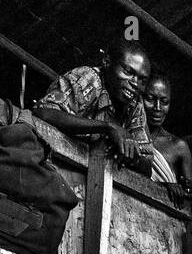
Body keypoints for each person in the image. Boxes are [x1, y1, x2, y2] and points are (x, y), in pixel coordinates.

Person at [33, 37, 155, 176]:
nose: (135, 83)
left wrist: (132, 155)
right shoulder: (88, 78)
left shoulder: (135, 104)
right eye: (128, 71)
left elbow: (147, 167)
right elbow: (43, 112)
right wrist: (107, 127)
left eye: (142, 80)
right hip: (46, 165)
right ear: (107, 62)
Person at [142, 71, 192, 204]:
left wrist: (189, 191)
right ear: (140, 98)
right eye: (150, 99)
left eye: (164, 102)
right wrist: (163, 187)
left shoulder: (178, 146)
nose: (157, 108)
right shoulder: (129, 136)